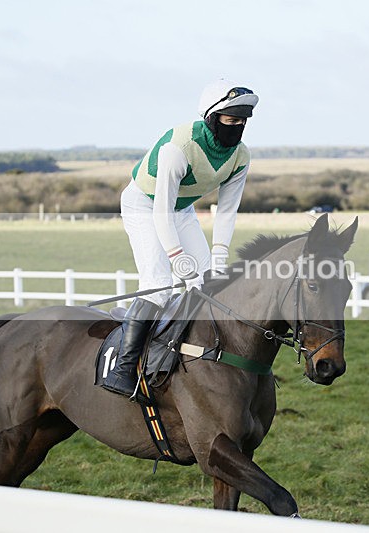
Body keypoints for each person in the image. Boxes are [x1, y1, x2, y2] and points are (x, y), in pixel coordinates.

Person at [101, 79, 259, 402]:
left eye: (243, 120)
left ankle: (185, 358)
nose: (238, 126)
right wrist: (176, 256)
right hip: (145, 204)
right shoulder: (180, 148)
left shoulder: (241, 157)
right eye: (231, 119)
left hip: (181, 209)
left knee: (207, 284)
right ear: (212, 117)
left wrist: (218, 257)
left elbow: (227, 212)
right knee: (159, 285)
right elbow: (160, 210)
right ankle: (125, 368)